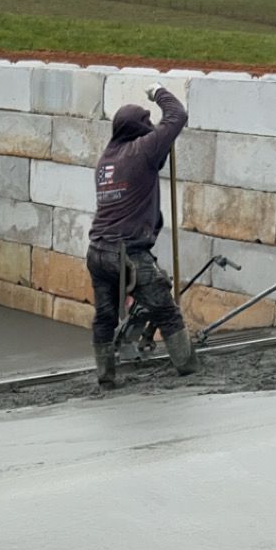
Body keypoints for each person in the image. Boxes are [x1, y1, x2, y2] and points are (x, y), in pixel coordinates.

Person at [88, 85, 193, 387]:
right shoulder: (142, 150)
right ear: (138, 129)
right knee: (166, 310)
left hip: (97, 251)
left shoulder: (106, 161)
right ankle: (188, 368)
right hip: (127, 254)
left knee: (105, 317)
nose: (150, 129)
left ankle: (105, 377)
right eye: (146, 125)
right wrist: (157, 92)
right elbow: (177, 115)